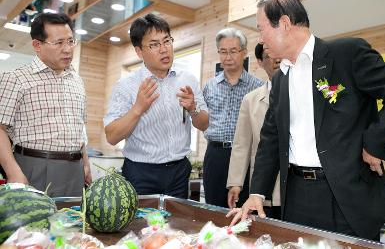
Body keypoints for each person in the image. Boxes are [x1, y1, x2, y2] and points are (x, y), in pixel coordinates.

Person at [229, 0, 385, 240]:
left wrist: (375, 143)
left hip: (345, 196)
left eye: (261, 28)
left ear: (284, 24)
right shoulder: (280, 80)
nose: (261, 39)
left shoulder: (347, 54)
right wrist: (257, 193)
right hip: (296, 197)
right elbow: (271, 139)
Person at [104, 13, 208, 199]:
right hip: (140, 173)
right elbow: (112, 136)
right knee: (140, 227)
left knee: (176, 227)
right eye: (154, 44)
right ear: (139, 51)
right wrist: (138, 108)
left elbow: (204, 124)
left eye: (167, 41)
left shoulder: (187, 79)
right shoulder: (126, 85)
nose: (163, 49)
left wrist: (193, 108)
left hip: (179, 171)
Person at [0, 13, 92, 197]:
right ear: (37, 45)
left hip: (75, 170)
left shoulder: (77, 81)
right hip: (34, 167)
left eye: (71, 41)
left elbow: (79, 127)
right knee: (34, 225)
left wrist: (85, 162)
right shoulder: (16, 78)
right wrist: (13, 173)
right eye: (59, 43)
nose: (67, 49)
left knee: (72, 223)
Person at [203, 27, 264, 208]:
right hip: (215, 155)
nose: (227, 57)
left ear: (244, 52)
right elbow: (201, 121)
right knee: (214, 209)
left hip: (246, 156)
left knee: (245, 211)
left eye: (233, 51)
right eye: (223, 52)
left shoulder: (257, 86)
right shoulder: (209, 86)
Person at [226, 44, 281, 219]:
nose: (276, 60)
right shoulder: (250, 100)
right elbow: (241, 143)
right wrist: (236, 182)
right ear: (260, 62)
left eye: (278, 54)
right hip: (263, 187)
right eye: (269, 57)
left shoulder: (299, 93)